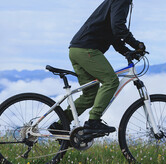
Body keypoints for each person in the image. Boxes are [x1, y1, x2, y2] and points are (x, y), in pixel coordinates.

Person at [50, 0, 145, 135]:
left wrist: (126, 51)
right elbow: (118, 27)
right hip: (87, 50)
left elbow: (113, 34)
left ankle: (61, 124)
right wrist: (137, 44)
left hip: (76, 50)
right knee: (111, 81)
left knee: (90, 95)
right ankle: (93, 121)